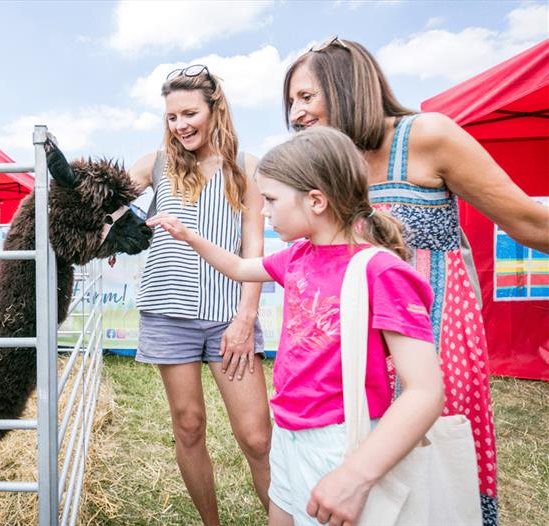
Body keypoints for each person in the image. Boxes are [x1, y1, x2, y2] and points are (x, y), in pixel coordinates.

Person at [282, 37, 549, 525]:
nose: (295, 113)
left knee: (428, 478)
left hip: (431, 338)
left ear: (345, 86)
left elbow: (529, 223)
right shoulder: (327, 165)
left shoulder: (426, 135)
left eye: (305, 96)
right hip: (354, 349)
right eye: (291, 102)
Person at [149, 127, 446, 526]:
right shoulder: (298, 256)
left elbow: (426, 391)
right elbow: (239, 267)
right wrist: (188, 236)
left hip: (338, 442)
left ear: (316, 201)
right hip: (288, 430)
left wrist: (356, 476)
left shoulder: (382, 272)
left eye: (270, 200)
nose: (263, 212)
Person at [127, 64, 271, 524]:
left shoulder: (245, 167)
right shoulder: (157, 164)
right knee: (188, 426)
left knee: (256, 437)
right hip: (169, 315)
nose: (180, 125)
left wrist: (245, 319)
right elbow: (106, 198)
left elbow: (253, 249)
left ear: (215, 109)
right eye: (171, 117)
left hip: (230, 315)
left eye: (189, 113)